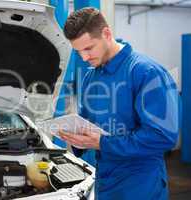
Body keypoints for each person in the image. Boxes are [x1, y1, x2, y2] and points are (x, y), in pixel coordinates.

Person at [59, 7, 179, 200]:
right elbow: (88, 122)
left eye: (88, 48)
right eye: (78, 51)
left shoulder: (146, 72)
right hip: (105, 181)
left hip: (140, 185)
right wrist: (76, 138)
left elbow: (162, 136)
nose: (84, 57)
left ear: (106, 33)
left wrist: (102, 142)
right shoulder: (91, 76)